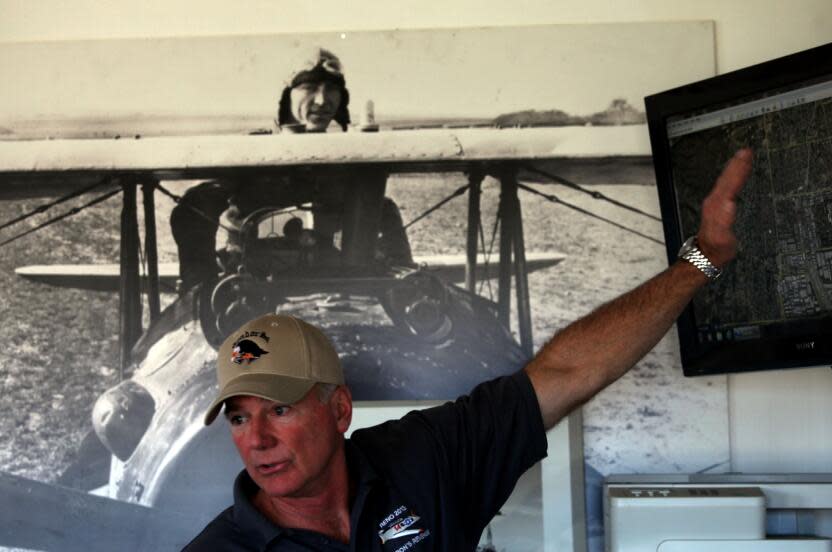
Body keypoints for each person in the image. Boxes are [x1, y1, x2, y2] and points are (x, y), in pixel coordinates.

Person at [183, 149, 753, 550]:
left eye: (279, 409)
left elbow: (567, 370)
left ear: (339, 410)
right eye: (238, 417)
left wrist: (699, 260)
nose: (255, 441)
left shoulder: (424, 459)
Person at [170, 48, 412, 291]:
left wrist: (403, 285)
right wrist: (202, 286)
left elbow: (380, 211)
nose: (322, 100)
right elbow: (192, 210)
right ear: (288, 95)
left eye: (331, 89)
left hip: (329, 285)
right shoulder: (255, 153)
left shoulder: (345, 158)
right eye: (309, 87)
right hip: (255, 287)